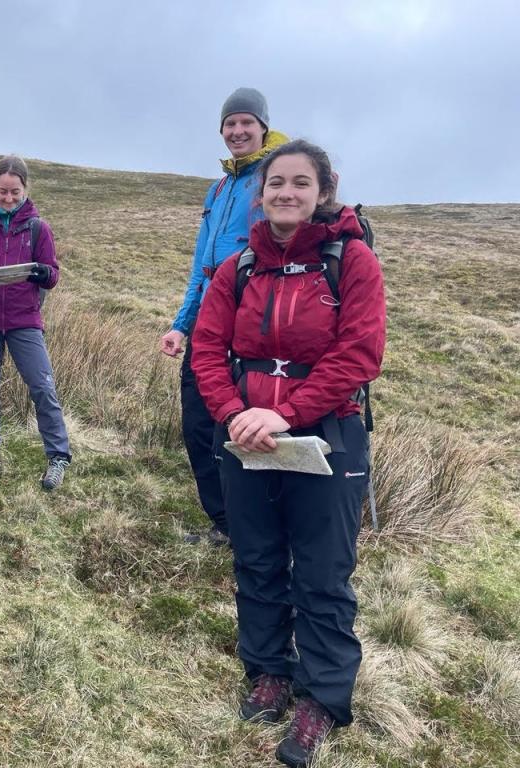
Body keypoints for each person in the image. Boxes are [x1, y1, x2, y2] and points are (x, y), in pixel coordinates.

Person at [191, 140, 386, 767]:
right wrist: (233, 414)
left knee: (323, 572)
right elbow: (207, 350)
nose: (286, 193)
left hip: (327, 436)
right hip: (245, 439)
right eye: (276, 182)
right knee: (257, 558)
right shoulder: (239, 267)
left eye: (301, 183)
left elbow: (359, 355)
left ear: (324, 190)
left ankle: (322, 696)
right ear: (261, 192)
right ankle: (267, 669)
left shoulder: (351, 261)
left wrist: (286, 411)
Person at [160, 87, 288, 546]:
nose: (237, 131)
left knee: (240, 427)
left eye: (246, 122)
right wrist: (182, 323)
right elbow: (202, 265)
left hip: (253, 321)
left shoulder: (273, 179)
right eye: (230, 123)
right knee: (198, 425)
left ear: (263, 127)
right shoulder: (217, 189)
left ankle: (262, 528)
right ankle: (225, 523)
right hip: (210, 320)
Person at [0, 155, 71, 491]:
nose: (8, 198)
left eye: (15, 192)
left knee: (42, 387)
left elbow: (53, 275)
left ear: (25, 189)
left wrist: (41, 272)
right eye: (3, 191)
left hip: (25, 322)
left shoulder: (38, 229)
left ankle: (58, 457)